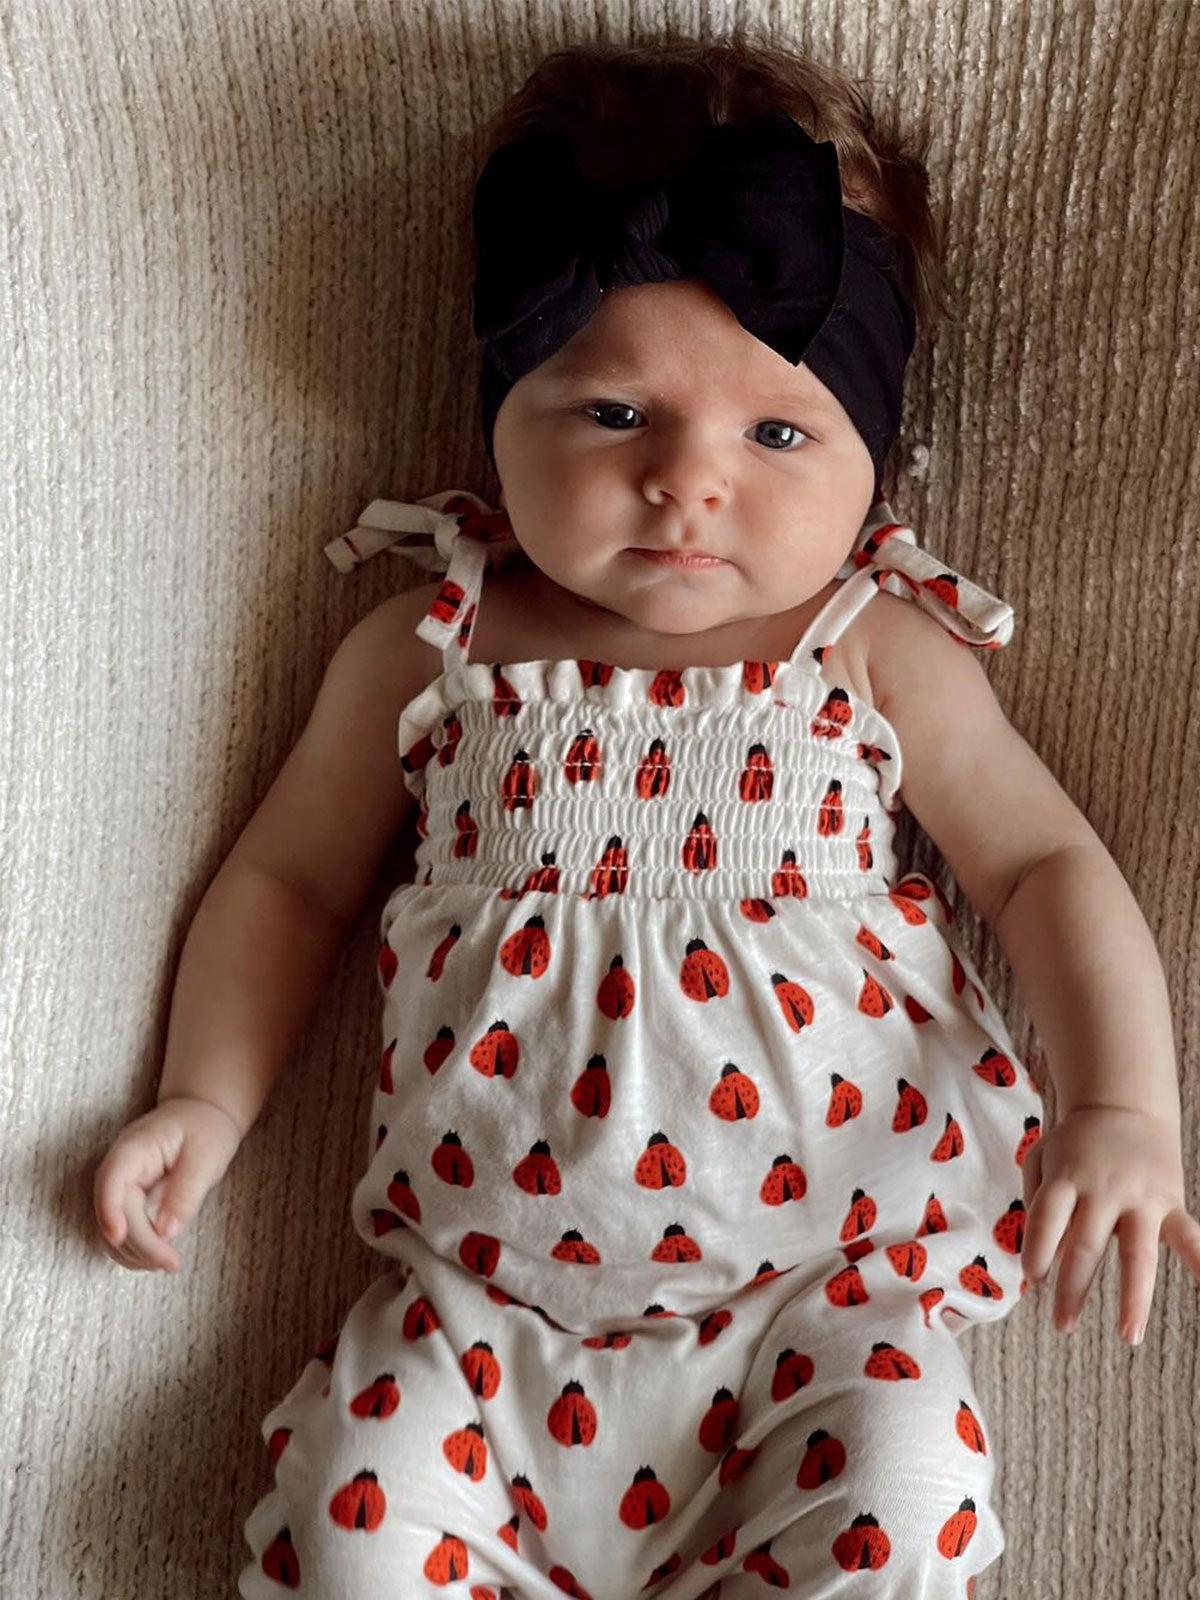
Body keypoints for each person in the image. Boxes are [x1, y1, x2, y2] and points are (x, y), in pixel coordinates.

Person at [92, 34, 1200, 1600]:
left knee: (903, 1497)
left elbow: (1037, 866)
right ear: (501, 406)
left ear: (872, 459)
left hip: (822, 1312)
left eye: (775, 434)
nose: (689, 483)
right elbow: (283, 883)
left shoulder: (873, 647)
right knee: (354, 1518)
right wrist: (205, 1101)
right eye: (614, 415)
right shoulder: (427, 649)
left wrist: (1122, 1114)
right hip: (483, 1321)